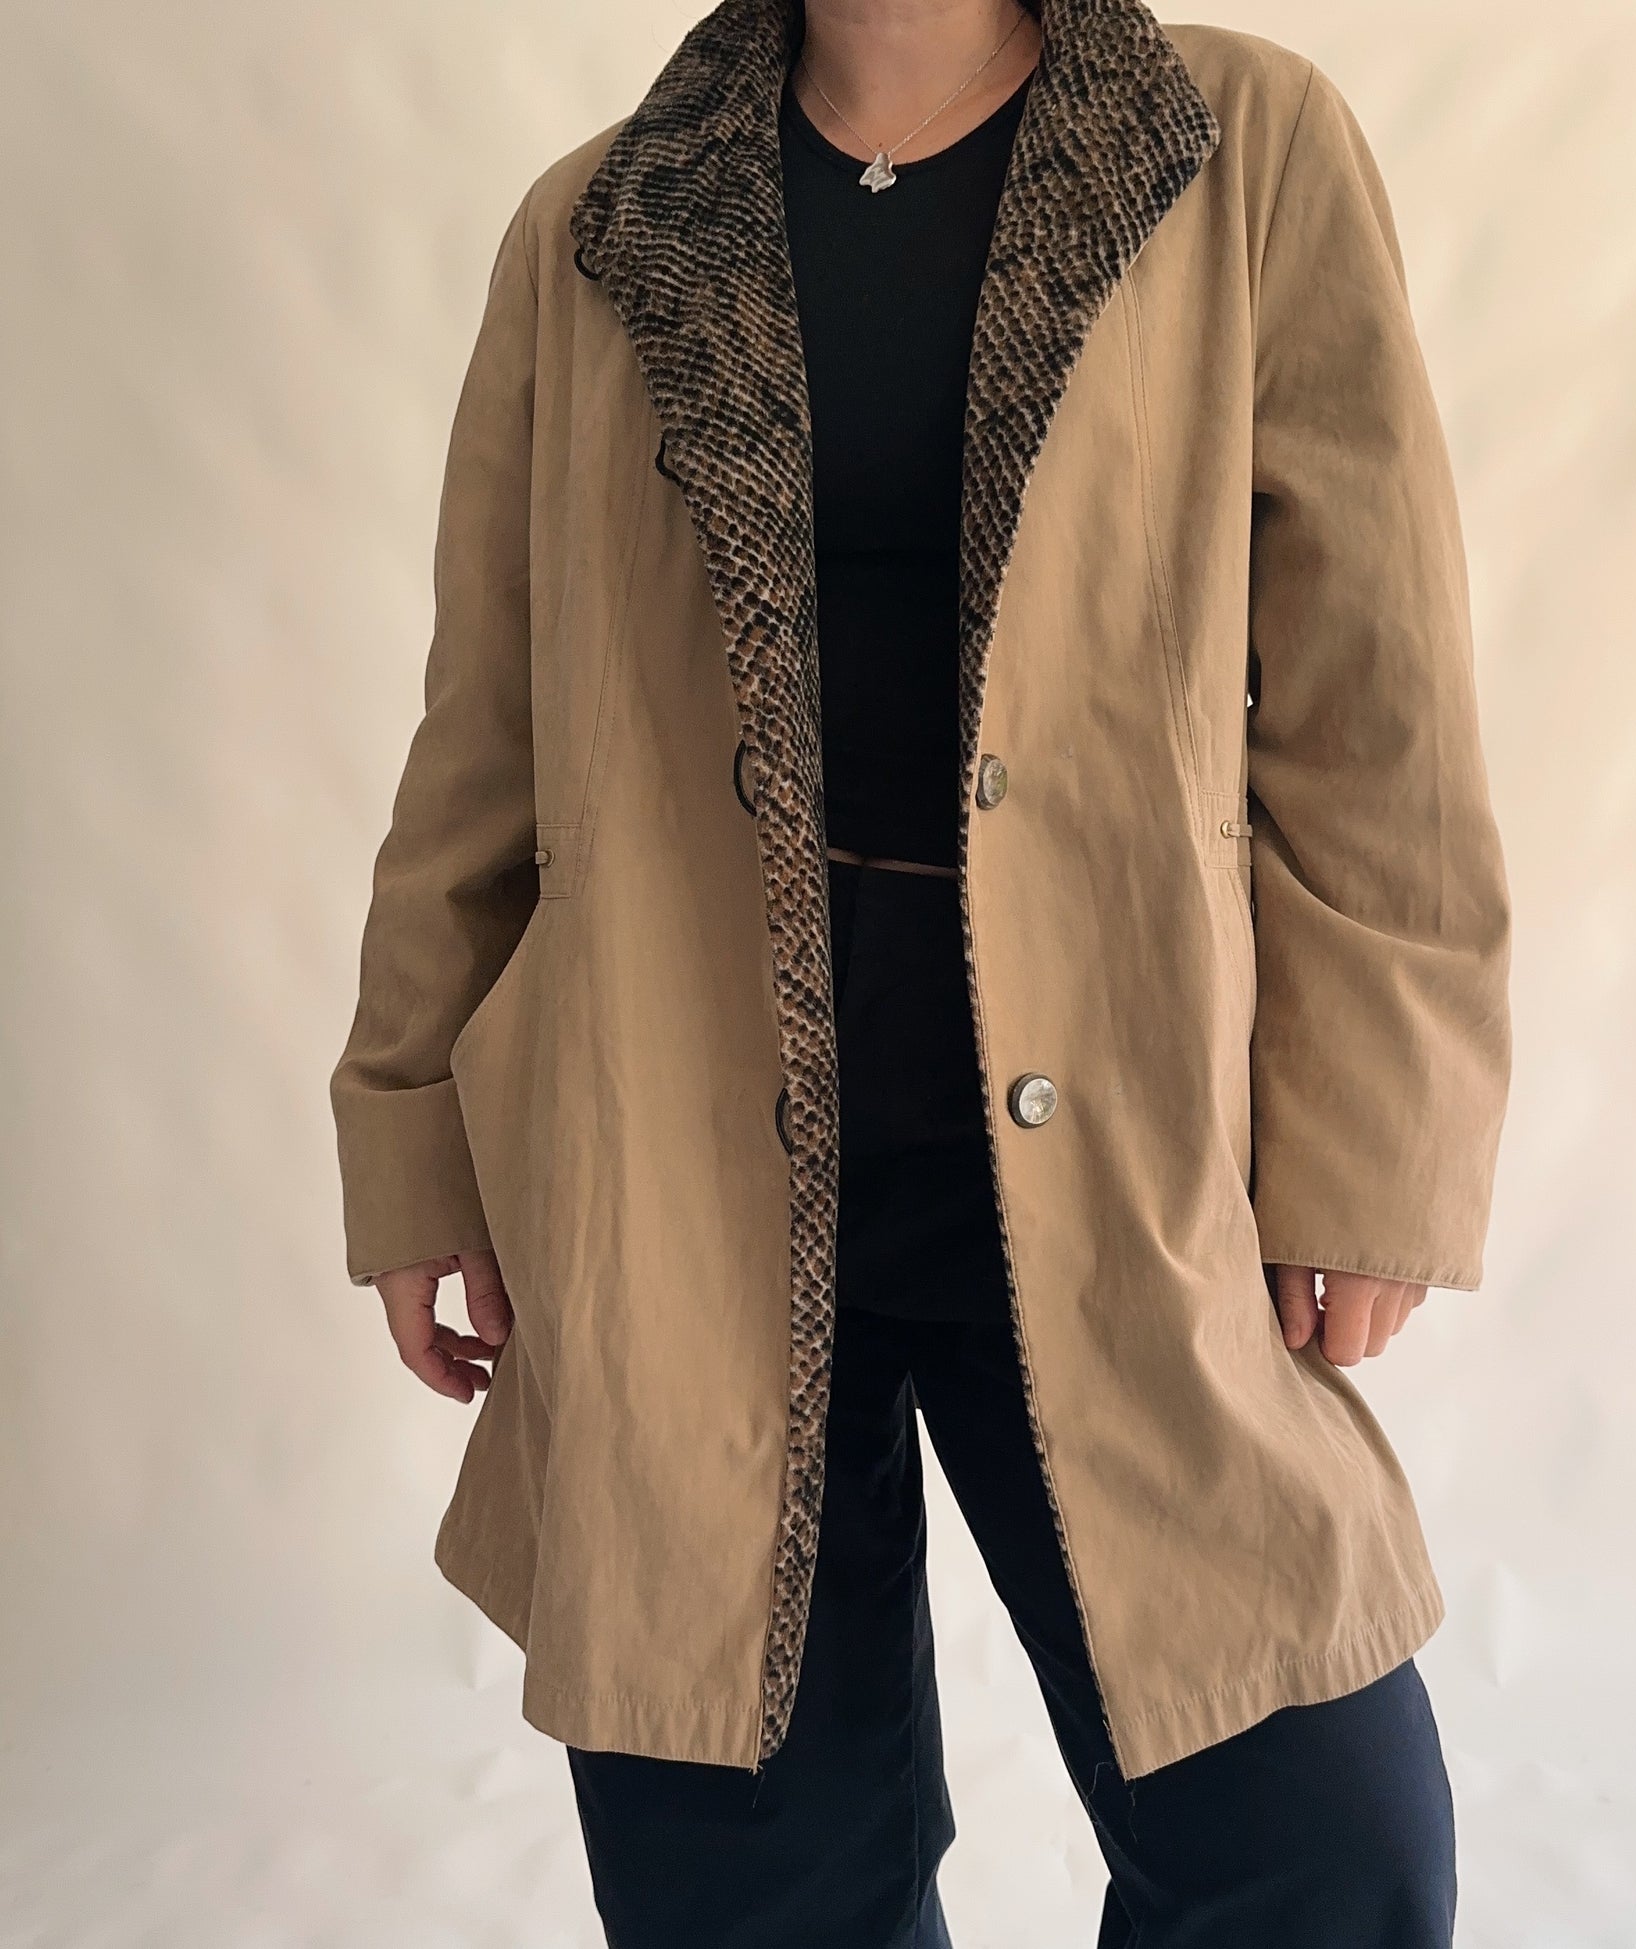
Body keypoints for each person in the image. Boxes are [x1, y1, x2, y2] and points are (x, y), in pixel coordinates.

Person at [328, 0, 1514, 1938]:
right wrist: (411, 1134)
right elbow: (487, 728)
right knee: (744, 1869)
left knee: (1315, 1843)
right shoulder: (600, 224)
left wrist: (1376, 1148)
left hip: (1113, 1108)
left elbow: (1372, 704)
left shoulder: (1234, 147)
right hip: (672, 1123)